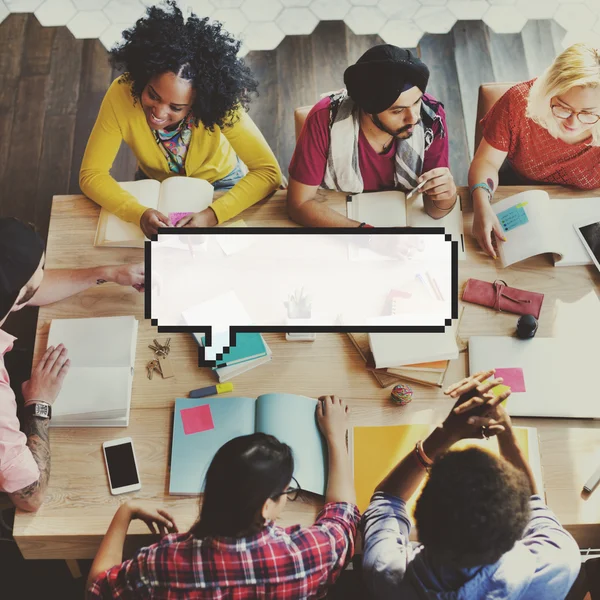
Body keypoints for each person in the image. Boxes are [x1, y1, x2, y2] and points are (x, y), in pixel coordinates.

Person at [87, 396, 359, 599]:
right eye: (287, 490)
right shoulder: (305, 555)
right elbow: (343, 516)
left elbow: (97, 589)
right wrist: (336, 436)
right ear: (265, 507)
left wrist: (127, 510)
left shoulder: (161, 563)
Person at [362, 370, 581, 599]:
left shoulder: (387, 572)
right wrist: (506, 431)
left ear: (420, 522)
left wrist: (445, 434)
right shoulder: (557, 563)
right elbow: (535, 504)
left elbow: (388, 499)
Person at [80, 0, 282, 238]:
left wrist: (212, 215)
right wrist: (137, 212)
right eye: (152, 95)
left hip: (222, 182)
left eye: (176, 107)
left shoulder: (219, 102)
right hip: (157, 184)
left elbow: (268, 172)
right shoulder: (121, 93)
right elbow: (91, 175)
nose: (159, 113)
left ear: (198, 102)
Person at [0, 217, 144, 512]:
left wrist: (108, 273)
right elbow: (31, 496)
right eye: (40, 269)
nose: (44, 271)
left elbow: (30, 289)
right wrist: (39, 401)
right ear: (14, 298)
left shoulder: (9, 292)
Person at [287, 44, 457, 227]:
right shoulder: (324, 120)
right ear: (368, 109)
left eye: (416, 102)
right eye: (397, 111)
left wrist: (446, 196)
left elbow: (434, 211)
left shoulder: (431, 120)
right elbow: (298, 204)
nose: (414, 118)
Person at [470, 43, 600, 257]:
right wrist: (481, 202)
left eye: (588, 113)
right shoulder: (519, 102)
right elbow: (487, 162)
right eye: (563, 107)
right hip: (516, 194)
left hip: (583, 217)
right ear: (548, 90)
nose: (573, 123)